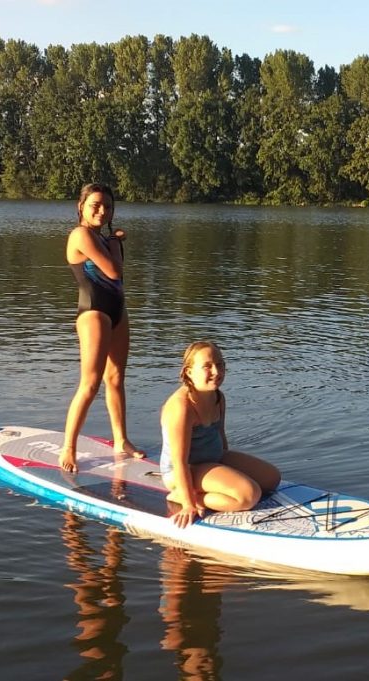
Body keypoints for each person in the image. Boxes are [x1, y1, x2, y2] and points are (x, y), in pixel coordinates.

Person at [60, 182, 145, 473]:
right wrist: (115, 241)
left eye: (107, 206)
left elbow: (117, 275)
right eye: (95, 204)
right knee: (91, 384)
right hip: (94, 312)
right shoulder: (81, 235)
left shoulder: (105, 238)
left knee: (116, 379)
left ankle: (121, 440)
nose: (102, 210)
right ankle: (69, 447)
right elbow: (113, 270)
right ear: (80, 207)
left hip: (118, 309)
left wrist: (114, 241)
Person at [159, 341, 281, 528]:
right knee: (249, 496)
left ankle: (208, 487)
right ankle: (186, 495)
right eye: (207, 366)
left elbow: (221, 437)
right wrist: (188, 504)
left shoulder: (218, 397)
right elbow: (179, 461)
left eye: (220, 364)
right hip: (182, 470)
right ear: (189, 372)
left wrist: (229, 473)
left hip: (212, 459)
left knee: (272, 478)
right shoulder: (181, 407)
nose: (216, 371)